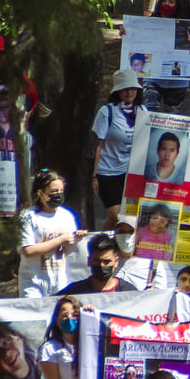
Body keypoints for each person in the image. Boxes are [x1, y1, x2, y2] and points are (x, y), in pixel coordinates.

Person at [17, 171, 88, 297]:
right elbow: (28, 251)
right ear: (41, 193)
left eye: (61, 191)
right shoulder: (28, 217)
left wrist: (79, 236)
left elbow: (72, 247)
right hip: (33, 283)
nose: (58, 194)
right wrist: (60, 240)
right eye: (54, 191)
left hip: (60, 282)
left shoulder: (67, 216)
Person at [91, 69, 143, 221]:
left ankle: (108, 241)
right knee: (117, 217)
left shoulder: (142, 111)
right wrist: (94, 176)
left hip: (131, 173)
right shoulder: (107, 112)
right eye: (124, 89)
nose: (129, 92)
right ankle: (103, 244)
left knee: (128, 219)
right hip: (108, 172)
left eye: (132, 88)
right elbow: (98, 145)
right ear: (117, 91)